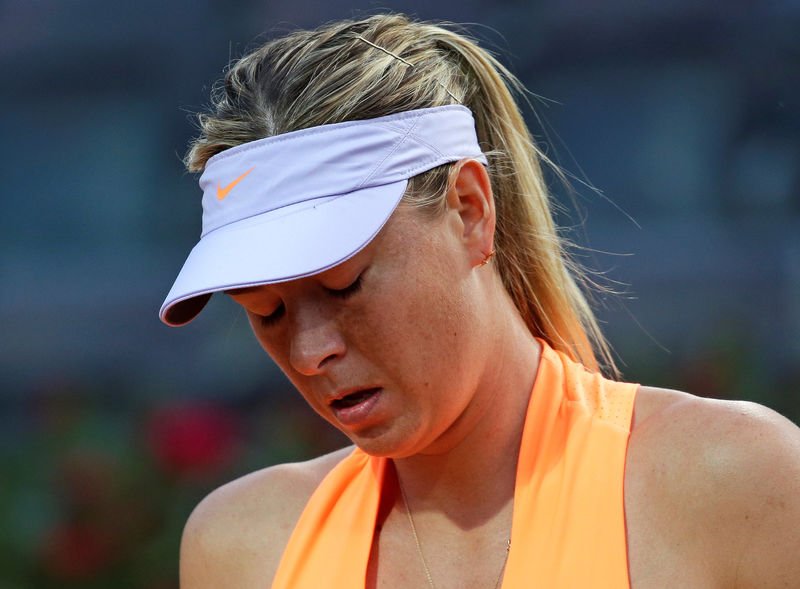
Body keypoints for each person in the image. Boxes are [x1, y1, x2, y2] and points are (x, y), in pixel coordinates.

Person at [160, 14, 800, 589]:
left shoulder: (737, 483)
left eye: (343, 286)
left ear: (470, 209)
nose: (308, 351)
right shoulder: (242, 547)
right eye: (264, 312)